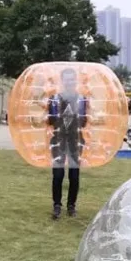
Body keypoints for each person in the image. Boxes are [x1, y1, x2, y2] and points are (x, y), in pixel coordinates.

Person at [47, 67, 88, 220]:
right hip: (58, 141)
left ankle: (71, 206)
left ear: (75, 80)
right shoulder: (54, 98)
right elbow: (50, 120)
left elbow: (84, 122)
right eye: (67, 79)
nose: (70, 81)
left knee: (74, 175)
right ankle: (57, 205)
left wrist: (74, 117)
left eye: (72, 79)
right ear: (62, 81)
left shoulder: (82, 99)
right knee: (57, 175)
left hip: (75, 141)